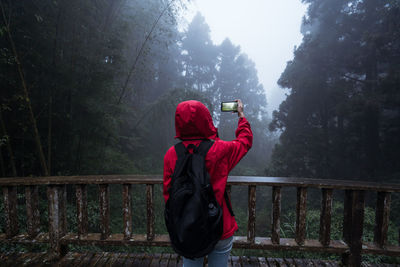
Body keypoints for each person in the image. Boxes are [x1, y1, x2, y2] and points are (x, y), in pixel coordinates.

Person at [163, 99, 253, 267]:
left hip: (186, 226)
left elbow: (168, 192)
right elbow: (245, 141)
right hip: (219, 225)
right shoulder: (219, 150)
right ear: (206, 120)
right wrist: (241, 115)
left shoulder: (171, 154)